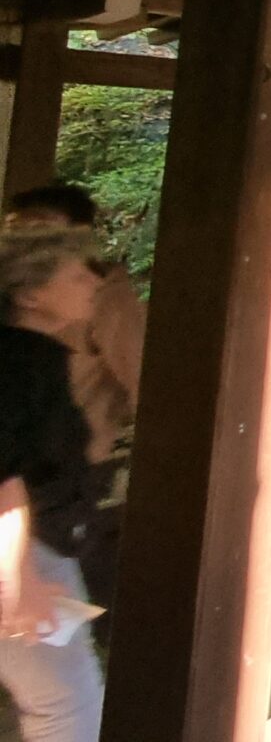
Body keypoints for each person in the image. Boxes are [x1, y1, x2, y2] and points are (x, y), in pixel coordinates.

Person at [3, 188, 140, 630]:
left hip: (64, 482)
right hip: (30, 495)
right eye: (17, 228)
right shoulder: (22, 350)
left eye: (39, 227)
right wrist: (16, 579)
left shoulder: (108, 300)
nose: (25, 238)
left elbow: (145, 380)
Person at [0, 255, 101, 742]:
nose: (94, 281)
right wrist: (17, 578)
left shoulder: (33, 357)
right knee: (65, 703)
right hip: (25, 550)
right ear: (30, 296)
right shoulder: (19, 362)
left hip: (32, 545)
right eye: (76, 274)